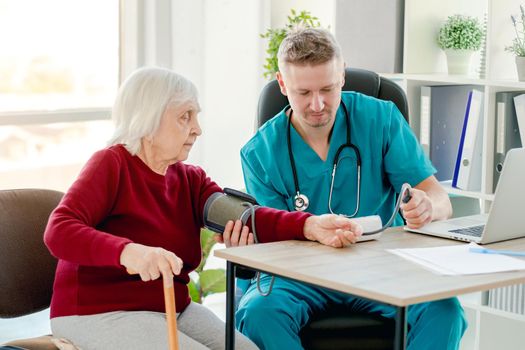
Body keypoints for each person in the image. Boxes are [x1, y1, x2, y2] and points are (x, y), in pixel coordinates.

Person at [43, 67, 364, 350]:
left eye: (196, 116)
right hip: (99, 312)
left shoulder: (189, 178)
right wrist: (131, 253)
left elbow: (245, 217)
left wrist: (309, 226)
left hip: (172, 307)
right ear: (149, 119)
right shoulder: (112, 164)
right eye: (185, 117)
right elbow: (59, 230)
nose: (197, 128)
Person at [236, 28, 467, 350]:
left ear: (342, 75)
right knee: (258, 313)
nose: (317, 104)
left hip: (381, 265)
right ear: (282, 84)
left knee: (444, 311)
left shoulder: (380, 118)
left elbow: (439, 197)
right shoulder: (260, 151)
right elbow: (272, 235)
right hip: (300, 275)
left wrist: (429, 206)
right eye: (303, 93)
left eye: (328, 89)